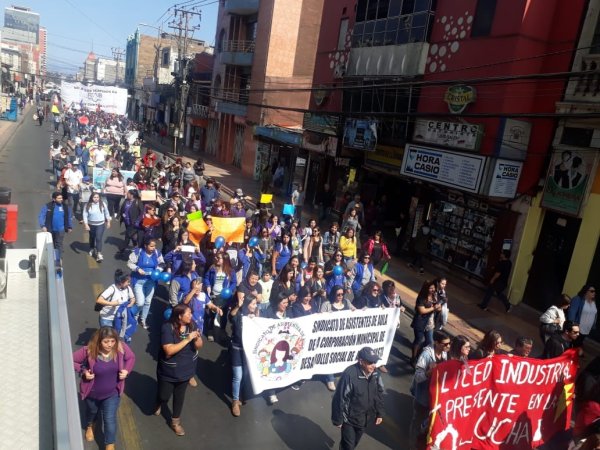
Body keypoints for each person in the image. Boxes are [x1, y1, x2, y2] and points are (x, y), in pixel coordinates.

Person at [72, 327, 135, 450]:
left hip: (112, 393)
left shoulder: (121, 347)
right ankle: (90, 425)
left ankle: (109, 444)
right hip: (92, 393)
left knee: (109, 419)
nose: (110, 345)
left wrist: (127, 371)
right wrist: (83, 371)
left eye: (112, 341)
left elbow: (131, 358)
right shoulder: (88, 351)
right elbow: (70, 360)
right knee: (92, 412)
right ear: (99, 341)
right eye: (106, 342)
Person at [154, 303, 203, 436]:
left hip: (186, 368)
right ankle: (159, 401)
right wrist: (188, 339)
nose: (191, 316)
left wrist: (197, 338)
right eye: (188, 314)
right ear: (180, 316)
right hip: (169, 370)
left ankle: (175, 422)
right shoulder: (167, 327)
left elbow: (199, 346)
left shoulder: (192, 325)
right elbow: (169, 351)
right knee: (164, 395)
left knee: (179, 395)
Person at [331, 346, 384, 450]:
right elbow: (340, 397)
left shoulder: (376, 374)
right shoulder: (349, 375)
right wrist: (338, 420)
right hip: (349, 420)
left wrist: (380, 413)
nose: (373, 365)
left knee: (353, 443)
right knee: (349, 447)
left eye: (375, 362)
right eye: (370, 362)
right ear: (361, 361)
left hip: (364, 420)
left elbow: (379, 393)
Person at [409, 330, 449, 450]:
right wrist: (429, 373)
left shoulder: (444, 354)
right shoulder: (426, 355)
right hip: (423, 398)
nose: (448, 346)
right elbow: (418, 376)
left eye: (449, 344)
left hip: (435, 397)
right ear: (436, 343)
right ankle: (411, 445)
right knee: (417, 422)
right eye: (445, 344)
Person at [229, 295, 259, 416]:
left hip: (248, 352)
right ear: (246, 305)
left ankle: (242, 393)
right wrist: (238, 306)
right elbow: (231, 316)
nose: (255, 306)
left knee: (246, 374)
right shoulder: (239, 315)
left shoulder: (255, 316)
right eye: (252, 304)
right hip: (237, 349)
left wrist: (256, 319)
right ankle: (235, 401)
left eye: (256, 304)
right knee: (238, 376)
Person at [127, 238, 165, 329]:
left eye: (154, 246)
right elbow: (129, 263)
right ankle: (133, 315)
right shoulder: (138, 252)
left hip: (151, 281)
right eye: (151, 246)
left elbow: (162, 264)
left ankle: (143, 319)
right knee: (140, 302)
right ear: (145, 246)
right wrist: (137, 269)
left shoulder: (157, 253)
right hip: (138, 281)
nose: (153, 248)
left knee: (147, 302)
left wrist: (158, 270)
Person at [410, 280, 441, 366]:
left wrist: (438, 308)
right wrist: (433, 308)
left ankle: (420, 355)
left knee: (429, 342)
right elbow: (422, 311)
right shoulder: (421, 298)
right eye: (430, 288)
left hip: (430, 323)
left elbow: (438, 307)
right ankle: (413, 358)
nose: (432, 289)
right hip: (420, 322)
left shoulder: (434, 296)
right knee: (418, 340)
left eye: (433, 288)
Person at [38, 191, 73, 266]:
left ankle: (58, 259)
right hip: (50, 229)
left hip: (61, 229)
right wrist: (43, 226)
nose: (61, 199)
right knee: (51, 244)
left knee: (59, 244)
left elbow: (69, 217)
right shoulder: (48, 206)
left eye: (61, 198)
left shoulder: (65, 207)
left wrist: (69, 226)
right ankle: (52, 257)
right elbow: (41, 216)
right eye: (59, 198)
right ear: (54, 199)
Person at [83, 192, 111, 262]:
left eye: (97, 197)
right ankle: (92, 248)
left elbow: (107, 213)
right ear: (92, 198)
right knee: (92, 237)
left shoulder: (103, 204)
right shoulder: (87, 205)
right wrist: (86, 224)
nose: (96, 199)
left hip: (100, 224)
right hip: (91, 224)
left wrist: (108, 222)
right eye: (94, 197)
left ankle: (99, 253)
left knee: (98, 238)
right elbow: (85, 215)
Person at [117, 189, 143, 254]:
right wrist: (119, 216)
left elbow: (142, 212)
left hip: (134, 223)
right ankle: (135, 246)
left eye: (128, 193)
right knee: (131, 235)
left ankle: (122, 249)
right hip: (127, 222)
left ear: (132, 195)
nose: (126, 194)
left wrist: (138, 221)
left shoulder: (138, 202)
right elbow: (122, 208)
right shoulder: (126, 201)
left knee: (127, 236)